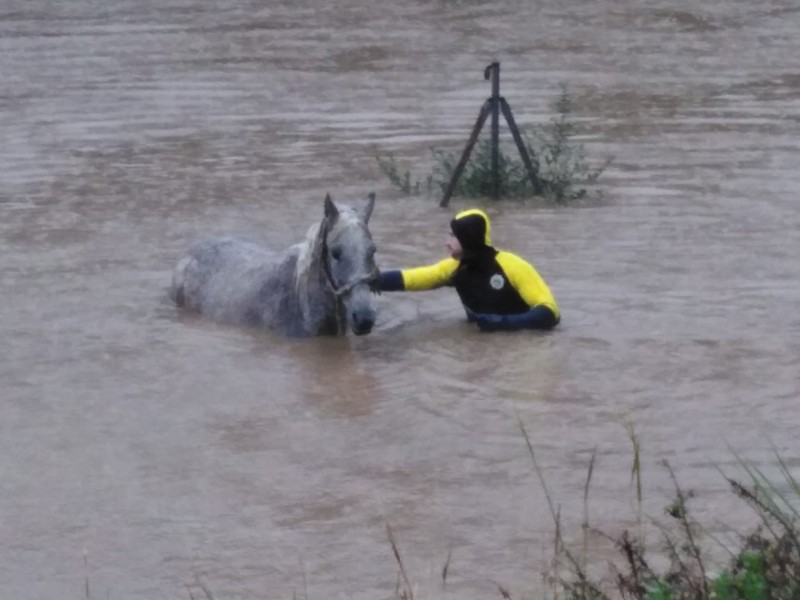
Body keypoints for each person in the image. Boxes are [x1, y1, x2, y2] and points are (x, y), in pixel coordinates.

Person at [377, 208, 559, 332]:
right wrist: (368, 280)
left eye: (452, 236)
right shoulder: (455, 267)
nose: (446, 242)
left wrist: (503, 323)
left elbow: (550, 312)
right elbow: (414, 278)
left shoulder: (514, 266)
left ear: (468, 238)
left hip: (524, 342)